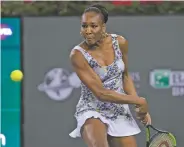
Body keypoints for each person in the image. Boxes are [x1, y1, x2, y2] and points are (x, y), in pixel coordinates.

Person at [69, 4, 151, 147]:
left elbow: (125, 76)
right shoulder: (77, 54)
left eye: (93, 26)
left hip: (119, 110)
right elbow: (101, 93)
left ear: (103, 27)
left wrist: (140, 109)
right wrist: (138, 101)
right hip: (92, 108)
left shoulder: (120, 42)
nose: (88, 31)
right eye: (84, 26)